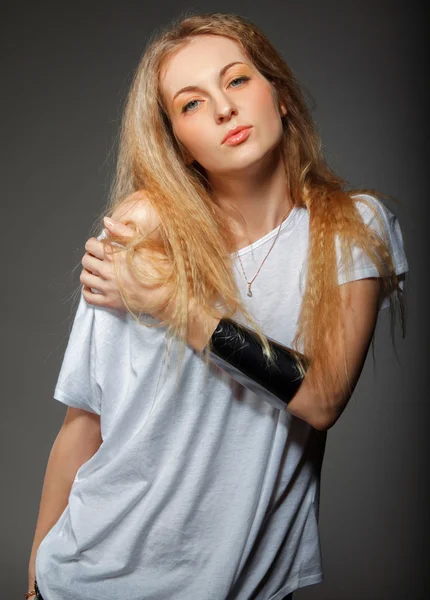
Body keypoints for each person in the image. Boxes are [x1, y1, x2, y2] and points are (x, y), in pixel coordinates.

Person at [27, 11, 409, 600]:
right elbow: (84, 428)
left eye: (236, 81)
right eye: (191, 104)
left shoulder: (352, 230)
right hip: (86, 579)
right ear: (175, 140)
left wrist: (177, 306)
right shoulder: (137, 244)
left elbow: (324, 397)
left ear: (277, 94)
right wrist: (33, 583)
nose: (224, 109)